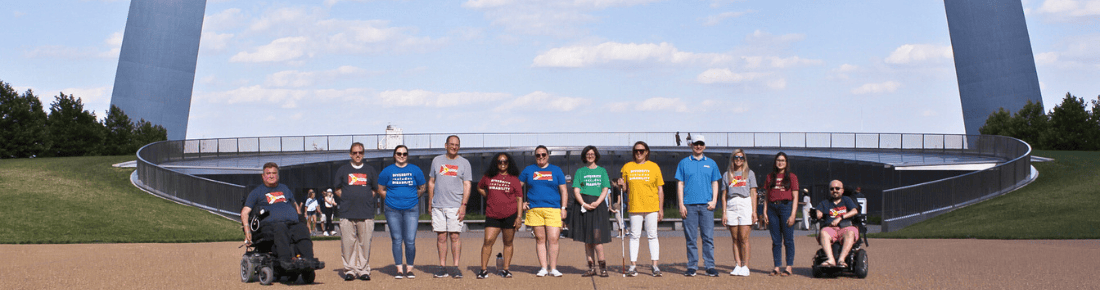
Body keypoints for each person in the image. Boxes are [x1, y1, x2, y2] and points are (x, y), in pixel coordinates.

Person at [241, 162, 320, 270]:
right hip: (270, 225)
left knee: (302, 229)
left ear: (278, 175)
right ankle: (285, 260)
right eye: (268, 173)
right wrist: (247, 230)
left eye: (274, 173)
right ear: (263, 176)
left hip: (291, 223)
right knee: (280, 227)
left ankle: (309, 260)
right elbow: (245, 212)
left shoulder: (285, 188)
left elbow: (296, 206)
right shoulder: (256, 192)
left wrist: (302, 219)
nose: (271, 175)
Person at [674, 135, 722, 277]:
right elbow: (680, 184)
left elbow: (715, 182)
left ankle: (709, 266)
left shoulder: (711, 163)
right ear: (691, 145)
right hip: (689, 205)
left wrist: (714, 200)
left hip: (707, 206)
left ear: (705, 146)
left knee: (708, 237)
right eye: (696, 144)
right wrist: (681, 204)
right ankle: (692, 266)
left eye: (701, 144)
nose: (698, 146)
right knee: (691, 238)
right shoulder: (683, 163)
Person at [333, 142, 380, 281]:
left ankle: (363, 270)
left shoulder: (370, 170)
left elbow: (375, 189)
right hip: (347, 213)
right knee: (348, 244)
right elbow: (337, 189)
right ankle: (350, 270)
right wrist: (348, 198)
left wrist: (364, 198)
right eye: (354, 153)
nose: (357, 155)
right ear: (350, 154)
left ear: (363, 154)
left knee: (364, 243)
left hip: (366, 213)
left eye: (360, 152)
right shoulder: (343, 170)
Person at [428, 135, 473, 278]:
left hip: (455, 206)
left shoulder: (464, 163)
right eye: (451, 144)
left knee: (454, 236)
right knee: (441, 237)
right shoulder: (437, 160)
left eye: (457, 145)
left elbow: (467, 184)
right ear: (445, 145)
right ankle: (442, 267)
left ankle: (455, 267)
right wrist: (430, 202)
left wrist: (464, 205)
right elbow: (431, 182)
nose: (454, 147)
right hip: (438, 206)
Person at [379, 145, 426, 279]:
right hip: (392, 209)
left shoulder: (415, 170)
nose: (401, 156)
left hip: (411, 209)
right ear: (394, 155)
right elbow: (381, 189)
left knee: (410, 240)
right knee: (396, 239)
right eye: (399, 153)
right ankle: (399, 269)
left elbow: (422, 187)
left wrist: (412, 197)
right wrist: (390, 200)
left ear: (407, 155)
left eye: (404, 154)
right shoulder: (387, 171)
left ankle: (409, 268)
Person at [520, 145, 568, 277]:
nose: (541, 157)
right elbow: (517, 188)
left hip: (553, 209)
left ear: (548, 155)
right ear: (535, 156)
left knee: (553, 238)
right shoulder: (528, 170)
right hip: (535, 209)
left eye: (543, 155)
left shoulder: (556, 170)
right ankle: (543, 267)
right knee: (540, 239)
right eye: (538, 155)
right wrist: (520, 204)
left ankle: (553, 268)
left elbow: (563, 190)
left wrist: (563, 208)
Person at [475, 152, 524, 279]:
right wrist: (488, 197)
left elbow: (519, 198)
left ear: (509, 163)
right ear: (495, 163)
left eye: (505, 161)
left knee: (508, 242)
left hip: (510, 215)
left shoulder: (514, 179)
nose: (502, 164)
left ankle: (506, 269)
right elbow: (480, 187)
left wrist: (519, 217)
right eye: (500, 161)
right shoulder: (488, 176)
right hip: (493, 215)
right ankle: (483, 270)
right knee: (488, 241)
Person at [621, 141, 664, 277]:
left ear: (646, 152)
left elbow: (660, 189)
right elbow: (625, 189)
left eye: (641, 150)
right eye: (636, 151)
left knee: (652, 235)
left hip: (652, 206)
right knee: (634, 236)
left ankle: (655, 266)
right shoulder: (627, 167)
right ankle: (633, 266)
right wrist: (621, 185)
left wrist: (660, 208)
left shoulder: (654, 167)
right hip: (635, 206)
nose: (639, 153)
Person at [569, 146, 612, 277]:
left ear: (596, 155)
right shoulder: (580, 172)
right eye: (587, 154)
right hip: (583, 204)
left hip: (597, 205)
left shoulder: (602, 171)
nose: (590, 156)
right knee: (587, 240)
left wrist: (598, 202)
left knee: (597, 239)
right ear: (584, 156)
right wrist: (583, 203)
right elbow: (576, 190)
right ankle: (591, 267)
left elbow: (605, 188)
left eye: (592, 154)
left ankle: (603, 268)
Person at [720, 149, 757, 277]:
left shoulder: (749, 173)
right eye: (736, 157)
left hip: (745, 203)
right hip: (731, 204)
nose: (739, 160)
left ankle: (746, 265)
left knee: (744, 237)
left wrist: (754, 211)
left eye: (741, 157)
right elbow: (723, 195)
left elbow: (753, 193)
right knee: (735, 238)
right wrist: (724, 212)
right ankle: (738, 264)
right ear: (732, 158)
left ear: (744, 159)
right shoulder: (727, 174)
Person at [762, 152, 799, 277]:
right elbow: (766, 196)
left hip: (786, 207)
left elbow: (795, 197)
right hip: (772, 208)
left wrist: (793, 214)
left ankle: (789, 266)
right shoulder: (769, 177)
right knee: (776, 240)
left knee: (788, 239)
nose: (780, 162)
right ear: (775, 162)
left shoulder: (792, 177)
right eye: (778, 160)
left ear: (786, 163)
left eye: (783, 160)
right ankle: (777, 266)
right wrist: (764, 212)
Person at [812, 180, 860, 268]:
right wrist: (818, 213)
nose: (835, 190)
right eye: (832, 189)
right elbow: (818, 210)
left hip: (846, 227)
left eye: (837, 188)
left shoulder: (847, 200)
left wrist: (841, 218)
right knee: (823, 232)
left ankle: (841, 260)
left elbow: (854, 211)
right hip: (831, 228)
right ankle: (831, 260)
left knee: (851, 231)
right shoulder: (825, 203)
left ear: (842, 190)